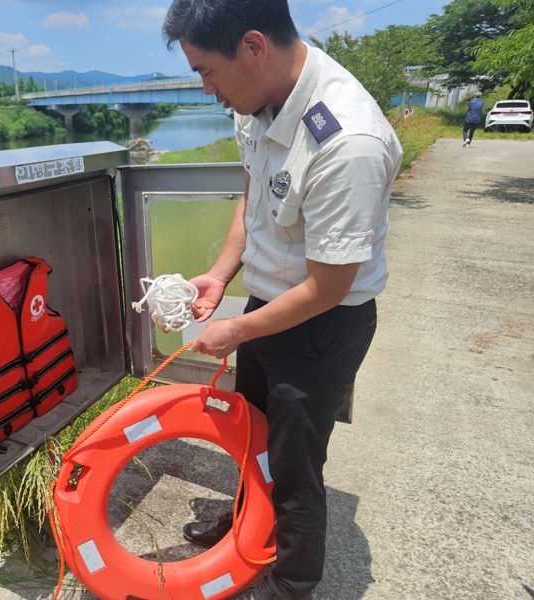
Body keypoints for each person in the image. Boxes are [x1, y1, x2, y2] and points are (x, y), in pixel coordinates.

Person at [162, 1, 403, 599]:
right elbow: (254, 196)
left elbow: (329, 287)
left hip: (325, 322)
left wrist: (238, 331)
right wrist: (222, 275)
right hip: (267, 306)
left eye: (206, 73)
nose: (207, 91)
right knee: (252, 432)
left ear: (253, 47)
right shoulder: (258, 98)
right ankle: (248, 524)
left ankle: (293, 582)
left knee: (296, 463)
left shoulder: (348, 140)